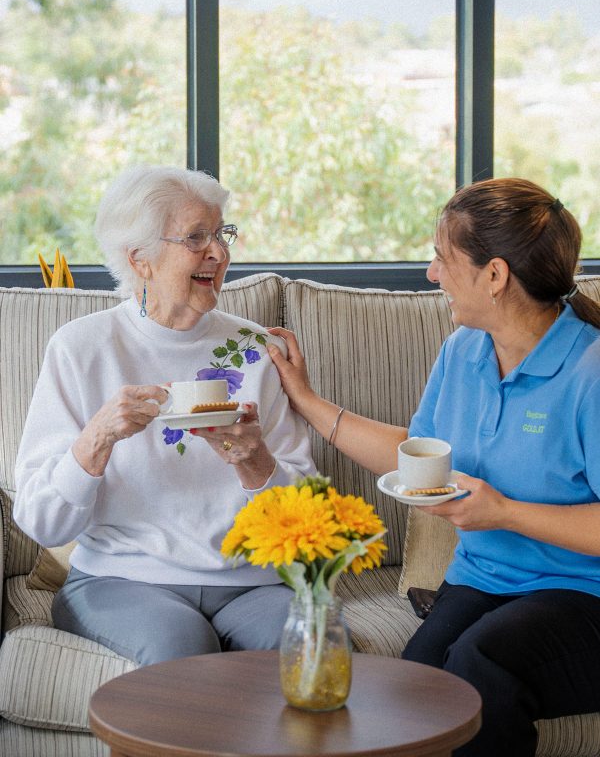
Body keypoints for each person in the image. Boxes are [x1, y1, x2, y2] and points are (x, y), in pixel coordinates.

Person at [267, 177, 600, 757]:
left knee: (480, 666)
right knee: (416, 684)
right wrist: (306, 399)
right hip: (483, 580)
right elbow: (417, 452)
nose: (431, 273)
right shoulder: (464, 351)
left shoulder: (590, 373)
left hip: (583, 594)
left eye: (443, 259)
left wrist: (504, 512)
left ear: (494, 276)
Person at [14, 164, 315, 667]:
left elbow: (305, 518)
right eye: (196, 237)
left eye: (222, 234)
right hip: (121, 580)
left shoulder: (255, 349)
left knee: (313, 649)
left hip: (253, 583)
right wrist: (97, 438)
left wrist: (254, 460)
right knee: (181, 653)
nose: (219, 253)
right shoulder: (82, 347)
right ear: (141, 260)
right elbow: (41, 521)